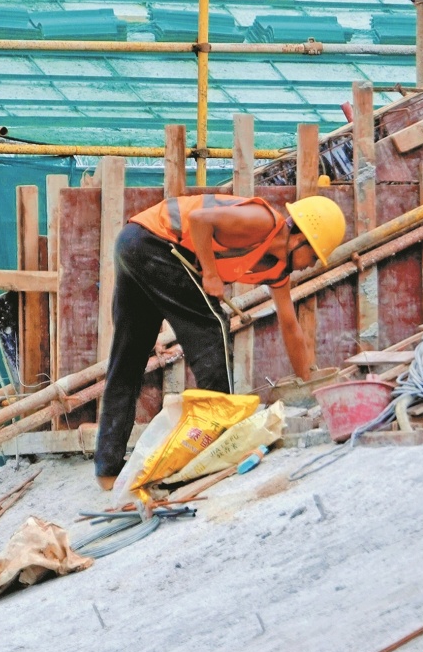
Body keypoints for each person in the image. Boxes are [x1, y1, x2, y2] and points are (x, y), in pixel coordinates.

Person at [93, 191, 346, 490]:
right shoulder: (262, 222)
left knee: (130, 356)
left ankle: (109, 470)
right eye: (314, 255)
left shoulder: (277, 270)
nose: (312, 264)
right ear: (299, 237)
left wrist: (307, 383)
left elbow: (290, 325)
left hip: (135, 244)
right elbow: (200, 220)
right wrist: (211, 273)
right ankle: (220, 443)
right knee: (213, 327)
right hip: (156, 242)